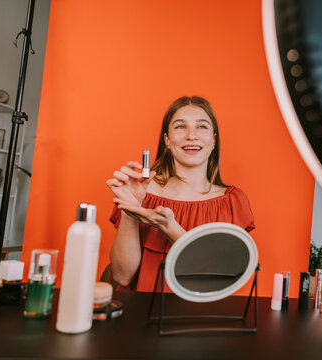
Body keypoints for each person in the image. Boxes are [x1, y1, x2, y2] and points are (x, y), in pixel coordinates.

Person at [106, 96, 255, 291]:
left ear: (213, 140)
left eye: (202, 127)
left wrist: (170, 228)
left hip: (199, 317)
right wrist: (130, 209)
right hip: (141, 314)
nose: (191, 135)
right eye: (180, 127)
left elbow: (221, 278)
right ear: (167, 140)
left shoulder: (232, 202)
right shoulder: (140, 192)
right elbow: (122, 277)